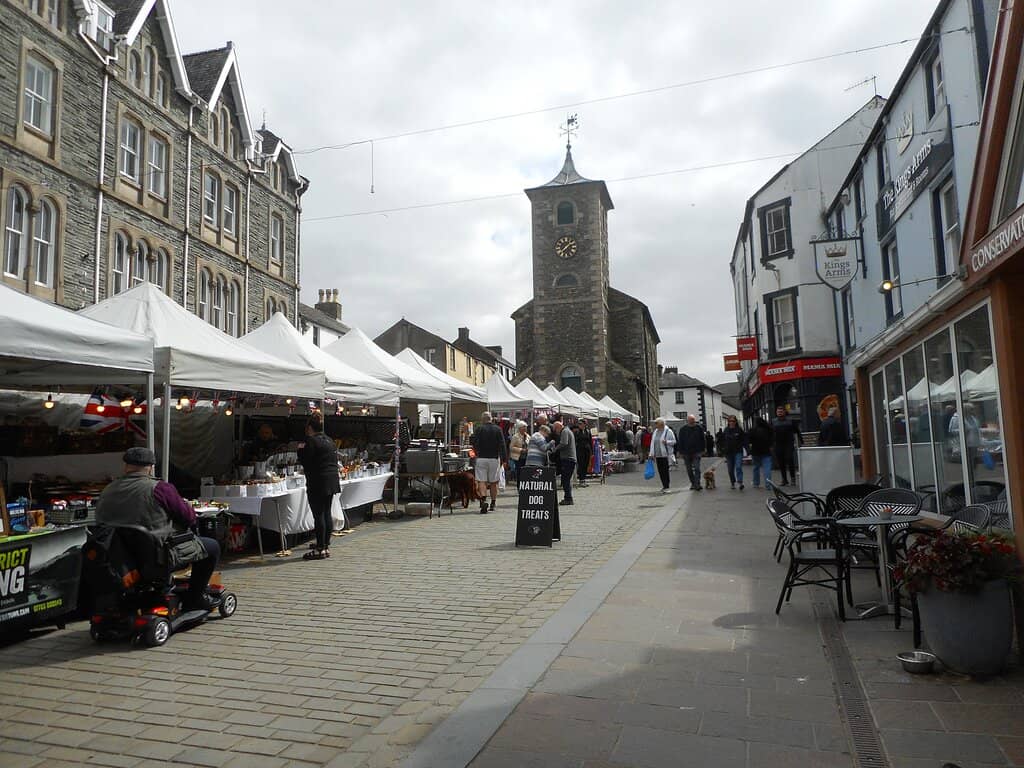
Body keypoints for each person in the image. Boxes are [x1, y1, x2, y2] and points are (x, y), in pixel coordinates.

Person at [95, 447, 220, 611]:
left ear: (125, 466)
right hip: (157, 556)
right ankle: (195, 597)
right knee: (212, 547)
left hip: (119, 558)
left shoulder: (108, 490)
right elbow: (188, 517)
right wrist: (186, 506)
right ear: (151, 467)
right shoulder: (160, 488)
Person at [297, 412, 340, 560]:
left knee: (318, 514)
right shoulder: (329, 440)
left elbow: (304, 459)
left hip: (318, 481)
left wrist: (300, 447)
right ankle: (325, 545)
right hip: (332, 479)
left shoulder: (310, 441)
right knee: (326, 512)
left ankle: (320, 548)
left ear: (309, 427)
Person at [471, 411, 507, 513]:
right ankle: (493, 503)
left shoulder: (479, 429)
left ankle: (483, 500)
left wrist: (477, 450)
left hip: (481, 458)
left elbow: (473, 442)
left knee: (481, 480)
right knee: (493, 482)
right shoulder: (498, 429)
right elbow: (502, 444)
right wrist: (504, 459)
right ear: (491, 419)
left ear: (483, 419)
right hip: (494, 459)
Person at [771, 405, 802, 486]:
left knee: (789, 459)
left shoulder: (790, 421)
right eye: (778, 412)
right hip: (778, 444)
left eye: (781, 412)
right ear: (776, 413)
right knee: (781, 462)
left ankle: (793, 478)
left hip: (788, 443)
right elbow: (770, 433)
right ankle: (784, 479)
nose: (780, 413)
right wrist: (771, 444)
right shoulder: (773, 421)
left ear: (784, 412)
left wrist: (801, 440)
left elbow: (797, 431)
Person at [676, 415, 706, 491]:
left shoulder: (699, 428)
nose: (692, 421)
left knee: (697, 468)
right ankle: (693, 483)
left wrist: (703, 449)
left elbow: (703, 439)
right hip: (686, 452)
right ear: (687, 420)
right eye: (690, 420)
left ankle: (697, 484)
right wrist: (680, 451)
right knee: (689, 469)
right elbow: (680, 441)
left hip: (697, 451)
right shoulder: (683, 429)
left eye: (693, 420)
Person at [551, 421, 577, 505]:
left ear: (558, 427)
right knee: (567, 479)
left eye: (555, 430)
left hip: (567, 459)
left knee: (565, 480)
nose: (556, 432)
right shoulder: (568, 430)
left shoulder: (565, 431)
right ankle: (568, 498)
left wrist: (555, 449)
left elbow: (564, 443)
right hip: (570, 458)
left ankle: (568, 499)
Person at [649, 418, 677, 493]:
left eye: (656, 423)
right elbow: (652, 443)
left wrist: (667, 442)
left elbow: (674, 441)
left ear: (661, 424)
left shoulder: (668, 431)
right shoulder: (655, 432)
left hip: (665, 455)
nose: (655, 425)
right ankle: (664, 486)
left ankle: (667, 486)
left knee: (665, 471)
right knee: (660, 471)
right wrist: (651, 453)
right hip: (657, 455)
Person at [721, 416, 747, 490]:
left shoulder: (739, 430)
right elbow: (722, 440)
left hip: (738, 451)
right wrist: (722, 449)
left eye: (733, 421)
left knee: (738, 466)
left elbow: (744, 440)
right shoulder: (726, 430)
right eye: (730, 421)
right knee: (730, 469)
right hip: (729, 453)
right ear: (728, 422)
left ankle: (740, 482)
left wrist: (747, 449)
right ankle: (732, 482)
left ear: (736, 422)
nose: (732, 422)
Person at [748, 416, 775, 489]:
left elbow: (749, 441)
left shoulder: (752, 430)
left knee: (756, 467)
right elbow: (772, 440)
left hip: (755, 452)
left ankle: (756, 483)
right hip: (766, 451)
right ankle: (768, 485)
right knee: (767, 468)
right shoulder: (768, 429)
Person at [574, 420, 593, 487]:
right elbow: (575, 442)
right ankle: (581, 480)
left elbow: (590, 442)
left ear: (584, 425)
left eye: (581, 424)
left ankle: (584, 479)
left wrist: (592, 451)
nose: (580, 425)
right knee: (581, 464)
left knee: (586, 464)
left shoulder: (588, 431)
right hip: (580, 450)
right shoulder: (577, 432)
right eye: (579, 424)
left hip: (587, 450)